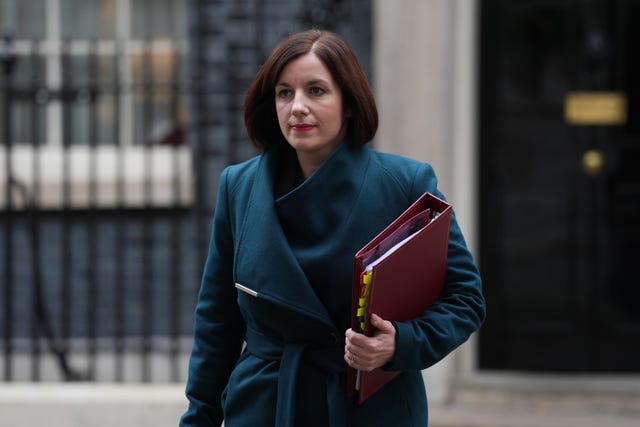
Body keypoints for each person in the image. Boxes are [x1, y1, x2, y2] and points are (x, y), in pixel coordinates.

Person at [180, 29, 485, 427]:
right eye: (284, 92)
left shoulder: (405, 185)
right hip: (265, 407)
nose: (298, 107)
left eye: (317, 91)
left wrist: (400, 344)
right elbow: (216, 324)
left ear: (349, 104)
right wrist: (199, 418)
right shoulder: (238, 187)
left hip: (370, 409)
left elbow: (465, 299)